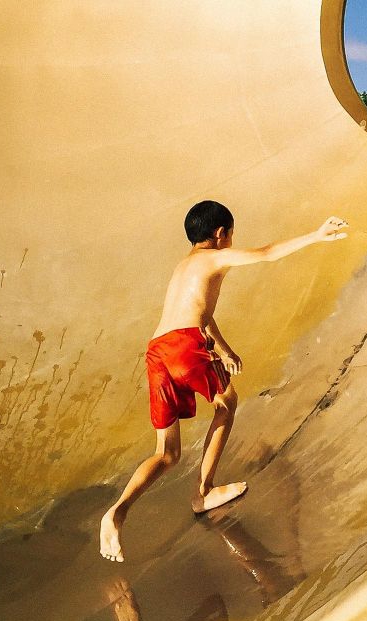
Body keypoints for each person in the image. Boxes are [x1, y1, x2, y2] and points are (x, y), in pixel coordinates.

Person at [99, 201, 349, 562]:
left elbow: (202, 314)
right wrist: (317, 235)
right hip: (185, 344)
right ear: (221, 234)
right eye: (231, 235)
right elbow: (267, 253)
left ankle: (118, 510)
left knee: (166, 453)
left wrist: (225, 349)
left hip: (158, 351)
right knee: (227, 403)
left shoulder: (184, 267)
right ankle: (203, 491)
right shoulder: (214, 258)